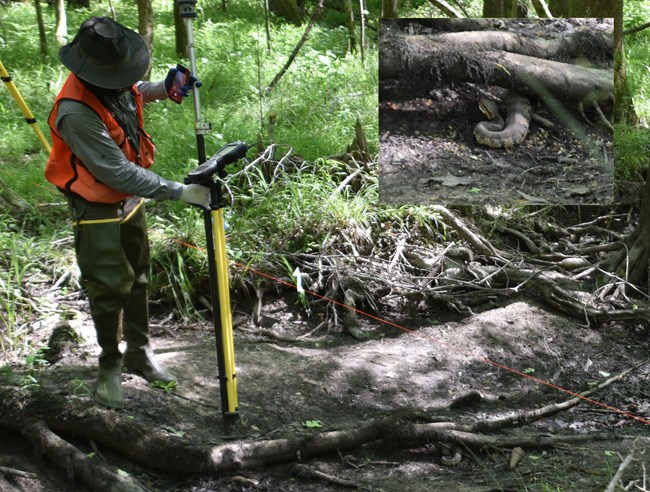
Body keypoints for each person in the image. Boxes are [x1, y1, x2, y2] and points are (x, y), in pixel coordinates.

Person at [45, 17, 209, 408]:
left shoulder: (111, 82)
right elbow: (113, 170)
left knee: (138, 275)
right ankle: (109, 365)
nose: (122, 79)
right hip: (95, 203)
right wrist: (179, 191)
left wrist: (163, 88)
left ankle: (140, 352)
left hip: (130, 199)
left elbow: (131, 91)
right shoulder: (75, 111)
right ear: (92, 70)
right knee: (108, 286)